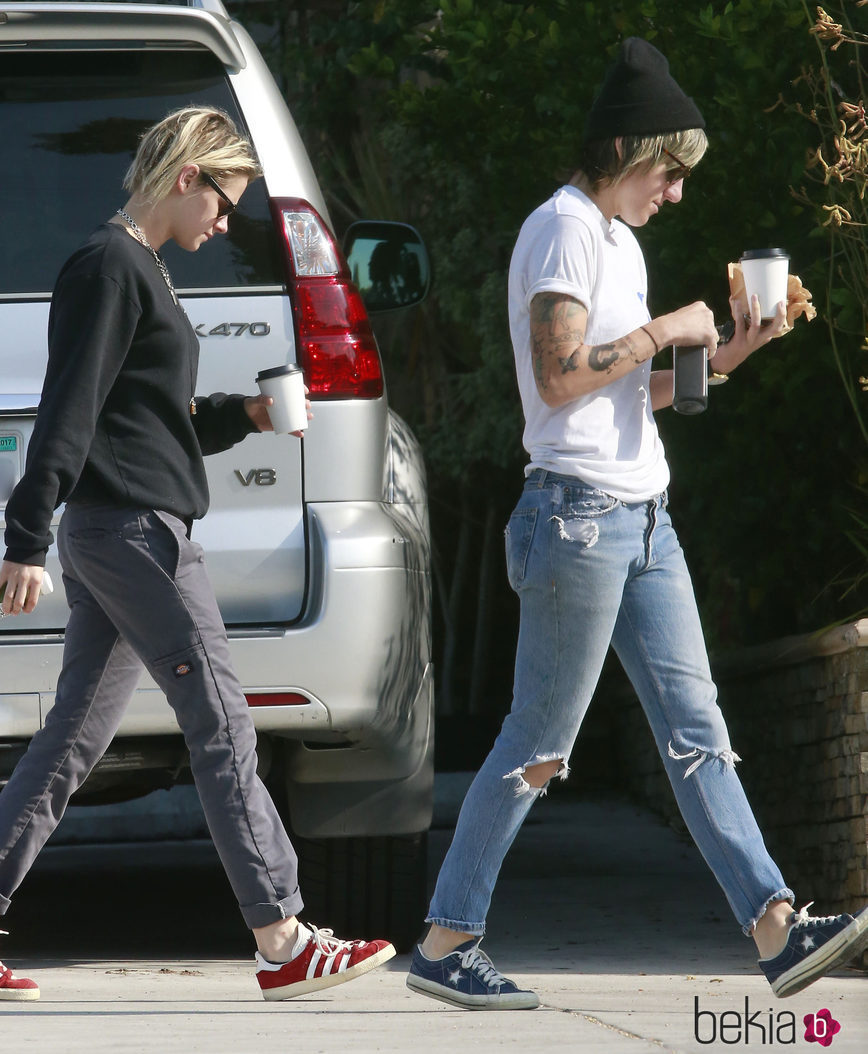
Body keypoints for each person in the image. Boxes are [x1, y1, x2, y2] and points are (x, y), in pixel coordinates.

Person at [405, 37, 868, 1011]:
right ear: (621, 149)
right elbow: (556, 376)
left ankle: (776, 931)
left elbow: (637, 394)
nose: (675, 192)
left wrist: (733, 347)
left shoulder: (619, 240)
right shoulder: (563, 228)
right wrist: (664, 327)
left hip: (642, 518)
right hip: (574, 520)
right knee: (537, 741)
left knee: (698, 734)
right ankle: (448, 939)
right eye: (667, 171)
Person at [0, 106, 394, 1003]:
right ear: (186, 176)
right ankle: (282, 936)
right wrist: (25, 536)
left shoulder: (143, 271)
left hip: (133, 525)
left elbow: (144, 422)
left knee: (70, 741)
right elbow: (70, 408)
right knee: (221, 719)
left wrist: (240, 415)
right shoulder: (109, 266)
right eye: (224, 201)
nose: (225, 223)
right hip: (132, 533)